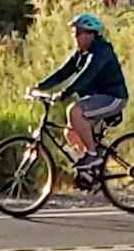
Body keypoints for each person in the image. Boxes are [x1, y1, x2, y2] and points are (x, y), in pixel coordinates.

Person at [29, 13, 128, 178]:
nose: (74, 37)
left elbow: (85, 76)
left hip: (114, 98)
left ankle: (93, 155)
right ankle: (93, 172)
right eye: (73, 33)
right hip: (98, 98)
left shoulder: (101, 52)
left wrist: (64, 93)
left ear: (90, 34)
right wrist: (39, 86)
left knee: (74, 111)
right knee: (70, 133)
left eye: (78, 33)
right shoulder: (81, 53)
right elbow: (63, 73)